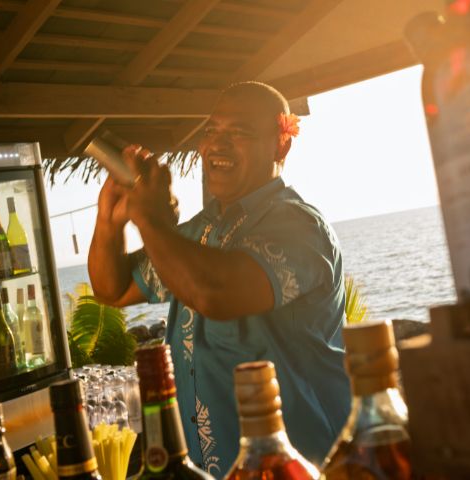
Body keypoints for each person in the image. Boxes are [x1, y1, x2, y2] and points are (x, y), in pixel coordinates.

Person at [88, 81, 351, 477]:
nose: (217, 145)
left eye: (239, 133)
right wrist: (110, 222)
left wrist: (151, 220)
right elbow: (114, 288)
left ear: (281, 146)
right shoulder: (197, 233)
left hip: (299, 467)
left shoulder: (299, 227)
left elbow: (215, 292)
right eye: (211, 132)